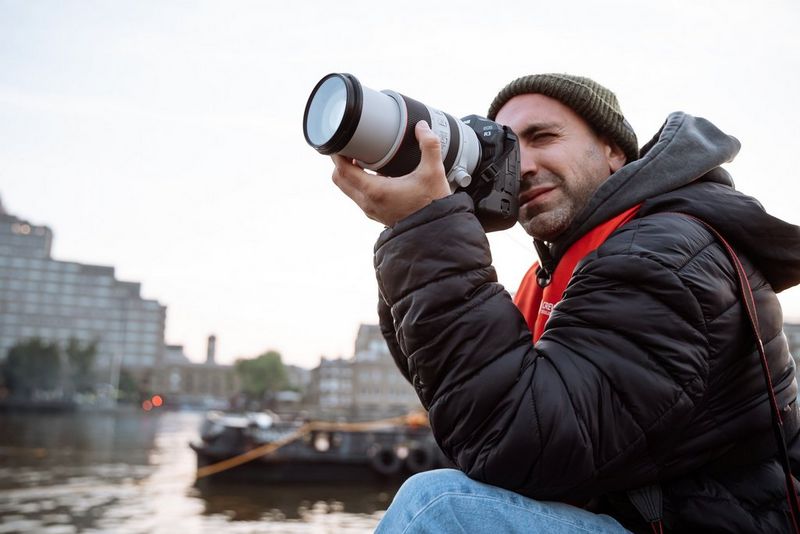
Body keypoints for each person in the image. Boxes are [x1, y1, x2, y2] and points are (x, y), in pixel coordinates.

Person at [331, 73, 800, 533]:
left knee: (442, 508)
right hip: (627, 514)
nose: (526, 166)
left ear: (613, 150)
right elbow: (459, 401)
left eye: (544, 137)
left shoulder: (664, 253)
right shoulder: (559, 274)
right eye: (511, 151)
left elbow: (519, 442)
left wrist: (429, 230)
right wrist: (418, 229)